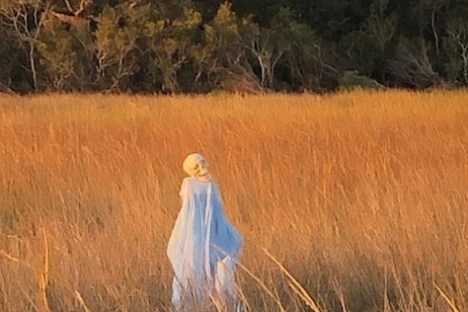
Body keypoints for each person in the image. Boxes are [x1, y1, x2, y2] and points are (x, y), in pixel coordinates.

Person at [167, 153, 244, 311]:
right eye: (196, 166)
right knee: (192, 271)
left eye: (202, 162)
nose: (202, 167)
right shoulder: (188, 183)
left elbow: (217, 211)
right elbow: (189, 210)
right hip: (196, 233)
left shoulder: (212, 184)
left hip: (215, 235)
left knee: (221, 272)